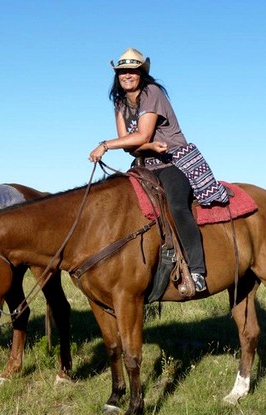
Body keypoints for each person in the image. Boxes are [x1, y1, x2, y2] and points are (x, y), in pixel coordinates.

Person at [89, 48, 227, 293]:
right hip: (144, 164)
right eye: (122, 71)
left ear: (141, 73)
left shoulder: (152, 93)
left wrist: (106, 145)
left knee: (176, 205)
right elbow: (129, 143)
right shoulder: (120, 102)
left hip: (173, 161)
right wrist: (148, 145)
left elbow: (137, 136)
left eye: (132, 70)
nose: (127, 75)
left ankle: (197, 270)